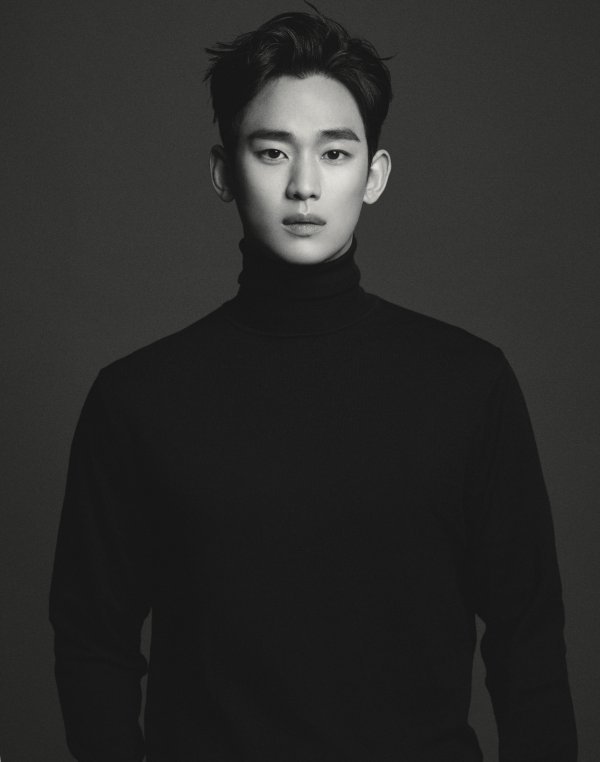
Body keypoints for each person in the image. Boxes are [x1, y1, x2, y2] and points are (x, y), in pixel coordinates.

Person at [49, 8, 578, 762]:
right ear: (223, 172)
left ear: (375, 175)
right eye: (272, 152)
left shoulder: (470, 384)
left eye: (334, 153)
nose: (304, 185)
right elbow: (92, 644)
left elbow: (529, 642)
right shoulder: (136, 399)